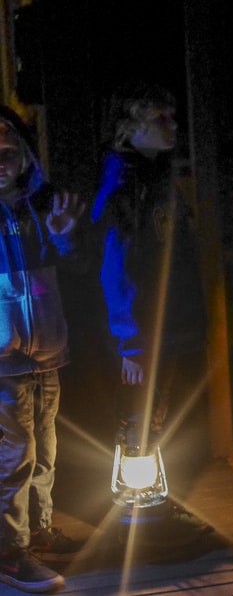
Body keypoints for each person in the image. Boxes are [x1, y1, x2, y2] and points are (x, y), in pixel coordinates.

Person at [91, 81, 209, 528]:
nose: (172, 125)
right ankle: (137, 509)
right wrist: (132, 341)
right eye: (161, 118)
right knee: (140, 417)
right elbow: (116, 264)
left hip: (170, 323)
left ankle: (152, 504)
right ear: (132, 127)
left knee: (158, 414)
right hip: (143, 331)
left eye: (172, 116)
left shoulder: (157, 174)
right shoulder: (124, 179)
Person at [0, 106, 85, 593]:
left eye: (9, 148)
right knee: (17, 456)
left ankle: (40, 531)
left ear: (25, 153)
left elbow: (72, 267)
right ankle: (12, 553)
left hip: (47, 351)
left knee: (46, 449)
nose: (1, 157)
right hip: (5, 360)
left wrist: (65, 239)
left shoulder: (40, 204)